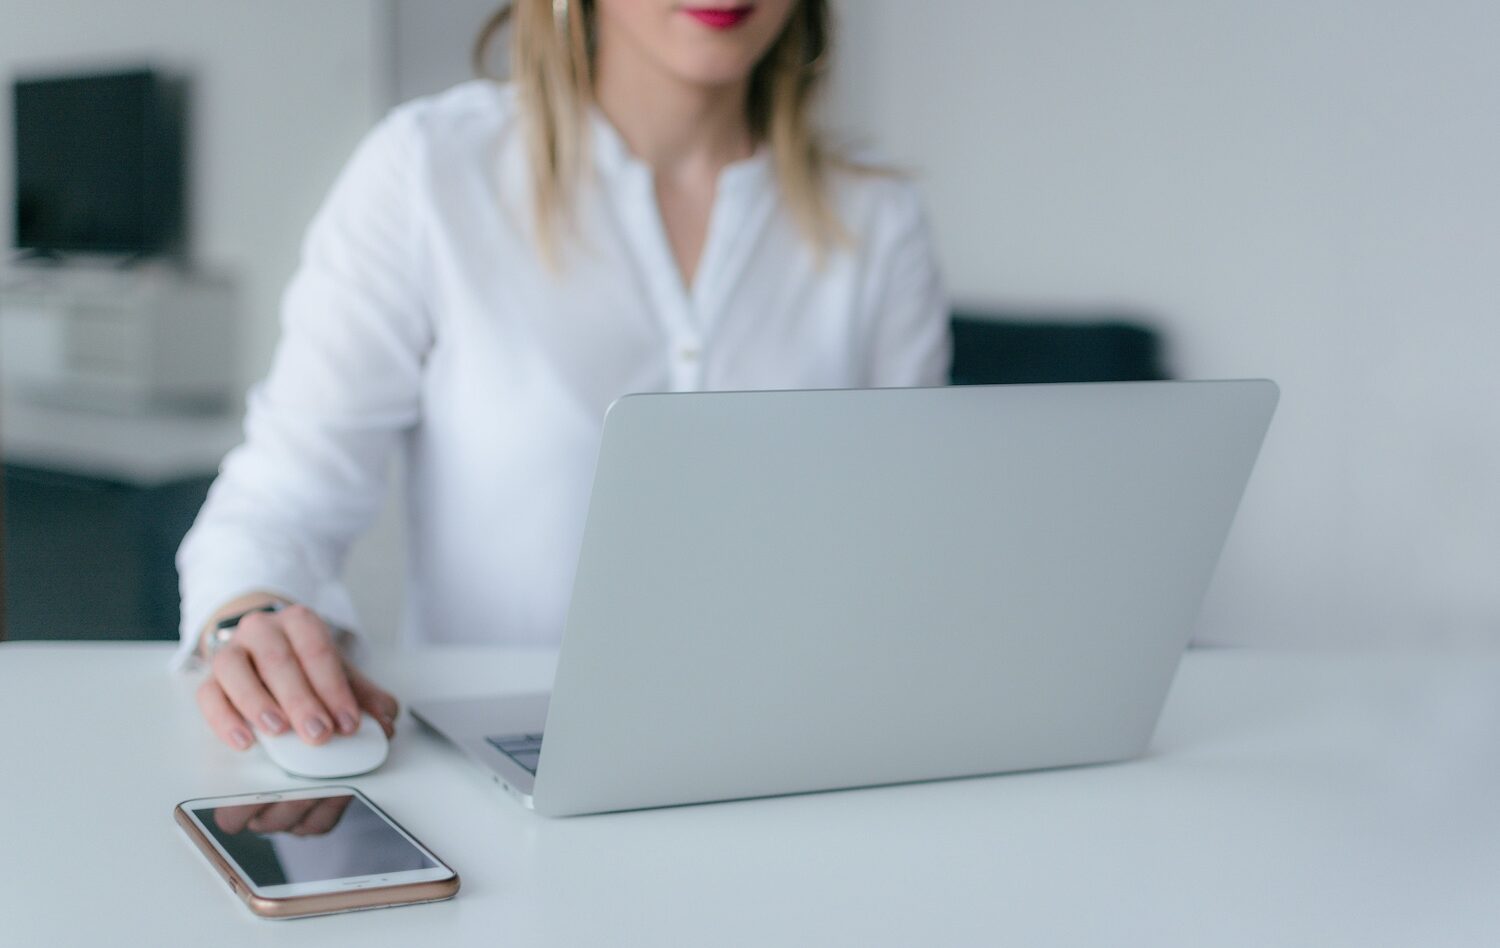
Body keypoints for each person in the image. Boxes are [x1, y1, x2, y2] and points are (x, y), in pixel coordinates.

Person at [176, 0, 950, 752]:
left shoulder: (879, 219)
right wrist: (249, 617)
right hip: (502, 765)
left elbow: (908, 548)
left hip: (797, 755)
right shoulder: (430, 172)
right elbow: (280, 500)